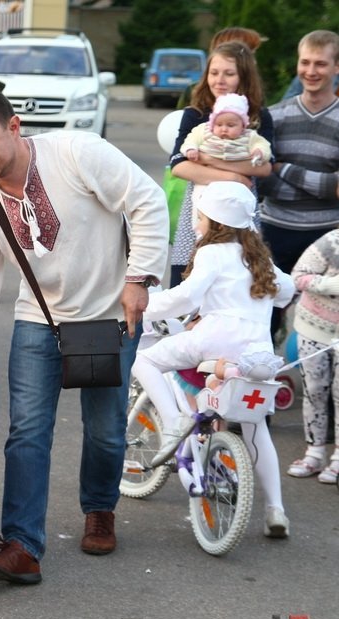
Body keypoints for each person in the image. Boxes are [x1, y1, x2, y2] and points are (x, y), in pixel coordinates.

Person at [0, 88, 168, 584]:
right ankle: (22, 545)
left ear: (15, 127)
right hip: (39, 321)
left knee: (107, 430)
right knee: (26, 432)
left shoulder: (77, 152)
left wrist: (138, 279)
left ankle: (99, 508)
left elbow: (148, 200)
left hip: (111, 315)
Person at [132, 181, 294, 537]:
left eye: (200, 215)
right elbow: (287, 290)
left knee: (145, 361)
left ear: (214, 221)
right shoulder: (258, 256)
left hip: (214, 340)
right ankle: (275, 510)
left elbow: (186, 298)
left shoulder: (212, 252)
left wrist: (143, 304)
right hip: (257, 352)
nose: (196, 222)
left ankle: (174, 421)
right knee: (255, 428)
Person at [168, 41, 272, 287]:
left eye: (229, 73)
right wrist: (234, 177)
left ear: (244, 77)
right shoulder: (195, 115)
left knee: (237, 278)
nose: (219, 80)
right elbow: (179, 166)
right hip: (198, 211)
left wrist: (208, 161)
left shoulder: (258, 117)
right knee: (188, 277)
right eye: (214, 73)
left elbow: (265, 167)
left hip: (241, 212)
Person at [259, 31, 339, 287]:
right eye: (305, 62)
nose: (311, 71)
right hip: (273, 231)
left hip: (328, 236)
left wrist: (282, 168)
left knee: (322, 322)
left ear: (337, 67)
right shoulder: (273, 116)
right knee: (266, 316)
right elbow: (261, 179)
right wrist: (323, 186)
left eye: (320, 63)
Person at [289, 228, 339, 482]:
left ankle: (338, 459)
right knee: (314, 389)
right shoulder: (331, 242)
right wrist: (330, 284)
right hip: (314, 327)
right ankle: (314, 453)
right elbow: (297, 276)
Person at [181, 92, 272, 227]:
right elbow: (190, 140)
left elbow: (264, 146)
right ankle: (200, 228)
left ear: (243, 125)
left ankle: (238, 231)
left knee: (237, 209)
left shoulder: (249, 136)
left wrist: (259, 152)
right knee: (200, 204)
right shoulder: (204, 131)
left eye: (230, 125)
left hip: (238, 183)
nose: (224, 129)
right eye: (219, 124)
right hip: (206, 178)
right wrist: (191, 149)